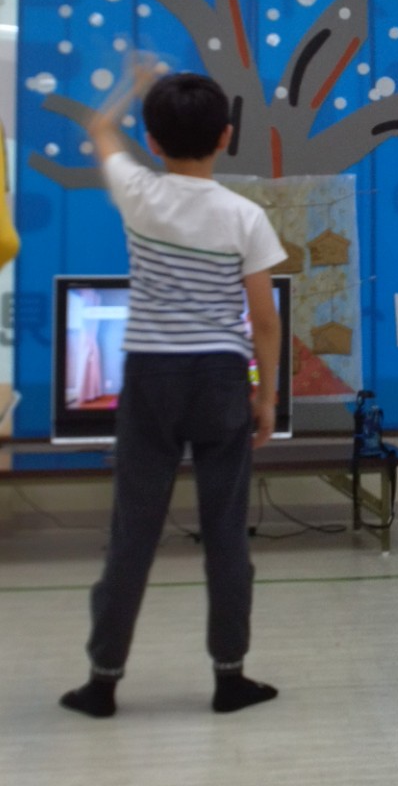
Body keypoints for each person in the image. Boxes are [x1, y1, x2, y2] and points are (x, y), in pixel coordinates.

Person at [60, 58, 287, 718]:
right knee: (226, 534)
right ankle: (230, 677)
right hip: (220, 374)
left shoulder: (138, 191)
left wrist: (131, 86)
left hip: (150, 374)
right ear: (226, 136)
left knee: (132, 532)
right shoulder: (245, 215)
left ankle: (103, 681)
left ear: (152, 141)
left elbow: (99, 129)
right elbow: (264, 320)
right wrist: (266, 396)